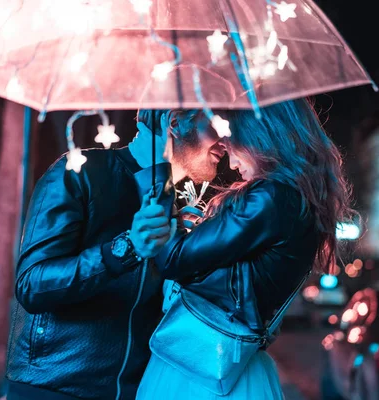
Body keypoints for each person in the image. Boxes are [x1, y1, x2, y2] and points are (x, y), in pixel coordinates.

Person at [136, 98, 354, 399]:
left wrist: (158, 171)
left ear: (259, 138)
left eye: (233, 143)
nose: (232, 163)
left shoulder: (272, 197)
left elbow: (173, 258)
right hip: (236, 366)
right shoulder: (299, 200)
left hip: (203, 366)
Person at [5, 109, 226, 400]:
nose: (227, 138)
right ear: (174, 122)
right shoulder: (80, 172)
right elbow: (32, 285)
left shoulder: (176, 206)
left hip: (138, 392)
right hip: (56, 388)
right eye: (217, 122)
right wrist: (127, 248)